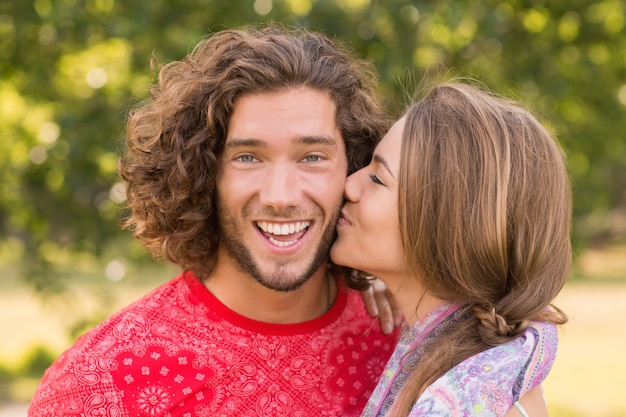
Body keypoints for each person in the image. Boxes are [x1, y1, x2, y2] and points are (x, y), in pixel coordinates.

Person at [28, 25, 400, 417]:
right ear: (203, 173)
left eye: (312, 157)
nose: (281, 196)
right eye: (248, 157)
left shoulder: (408, 338)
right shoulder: (98, 385)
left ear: (354, 167)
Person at [331, 81, 572, 416]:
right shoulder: (491, 367)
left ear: (444, 222)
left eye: (377, 178)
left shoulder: (454, 404)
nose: (349, 184)